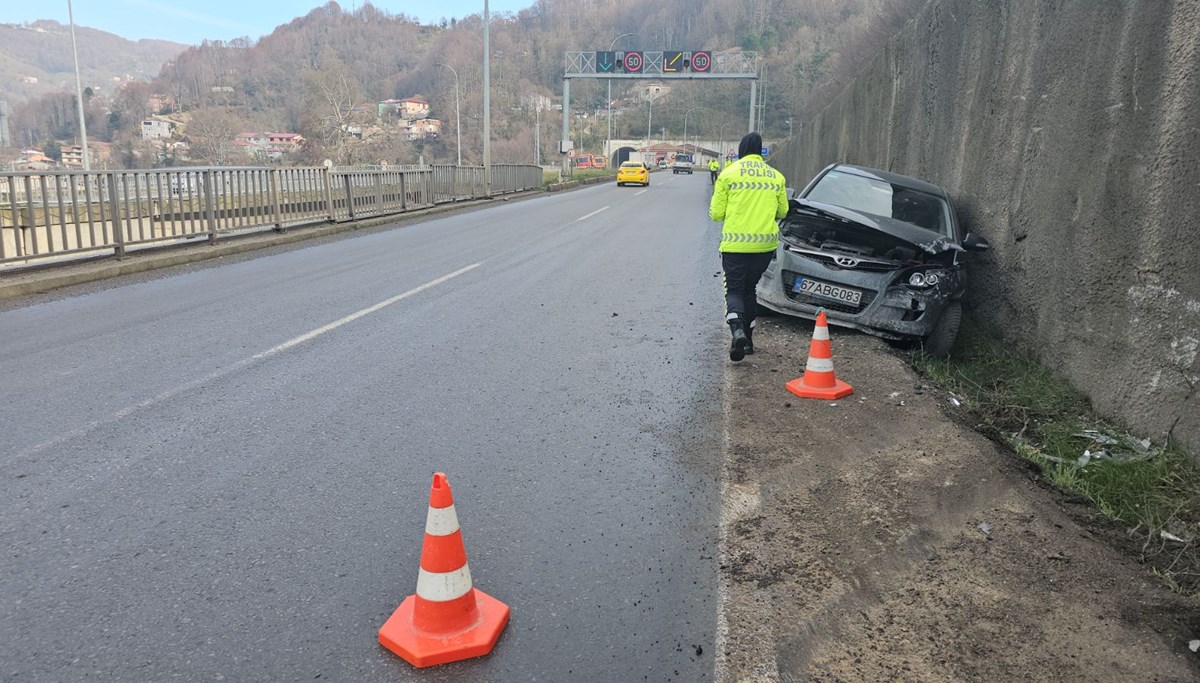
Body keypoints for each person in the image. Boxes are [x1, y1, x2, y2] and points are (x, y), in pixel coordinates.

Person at [708, 132, 788, 361]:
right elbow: (783, 211)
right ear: (760, 150)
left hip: (735, 246)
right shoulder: (776, 177)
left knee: (733, 290)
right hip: (764, 247)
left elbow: (716, 214)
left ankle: (737, 331)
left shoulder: (728, 175)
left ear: (741, 149)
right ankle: (750, 342)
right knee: (749, 290)